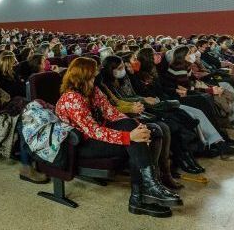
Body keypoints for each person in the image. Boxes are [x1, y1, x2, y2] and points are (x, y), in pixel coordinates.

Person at [55, 57, 181, 218]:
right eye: (92, 77)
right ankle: (143, 193)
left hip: (98, 135)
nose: (95, 79)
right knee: (134, 139)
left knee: (153, 131)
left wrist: (138, 127)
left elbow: (112, 113)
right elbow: (93, 131)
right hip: (81, 144)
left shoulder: (92, 90)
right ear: (82, 78)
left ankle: (146, 189)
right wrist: (129, 136)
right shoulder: (72, 98)